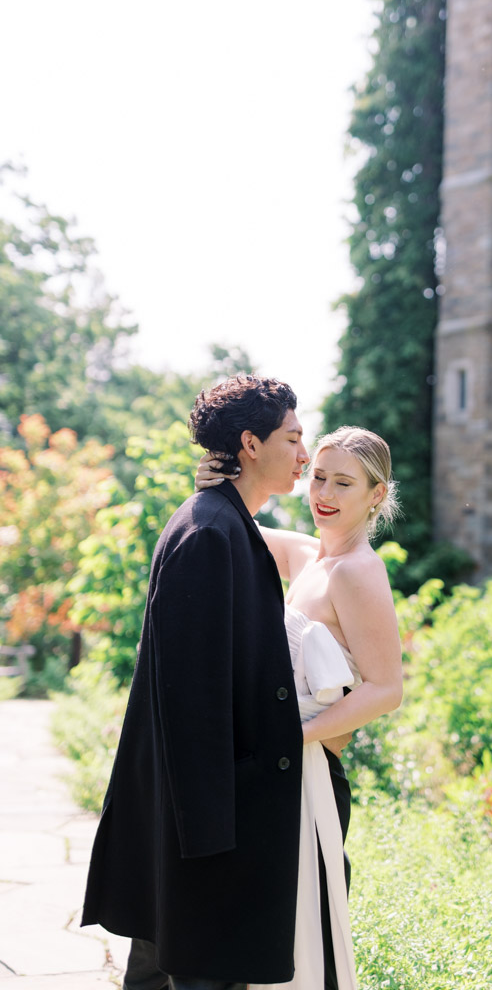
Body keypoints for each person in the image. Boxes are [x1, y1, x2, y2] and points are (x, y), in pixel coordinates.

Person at [81, 375, 311, 990]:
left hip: (197, 817)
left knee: (158, 967)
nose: (305, 454)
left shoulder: (221, 520)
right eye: (293, 438)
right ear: (251, 444)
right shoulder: (210, 531)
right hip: (207, 827)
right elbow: (192, 701)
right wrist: (210, 844)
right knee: (193, 971)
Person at [195, 424, 403, 990]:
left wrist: (289, 736)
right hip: (281, 769)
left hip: (312, 772)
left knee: (306, 941)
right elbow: (240, 528)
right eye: (318, 477)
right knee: (267, 934)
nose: (324, 494)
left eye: (343, 483)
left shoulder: (357, 571)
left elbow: (386, 689)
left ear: (376, 495)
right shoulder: (312, 555)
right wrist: (220, 481)